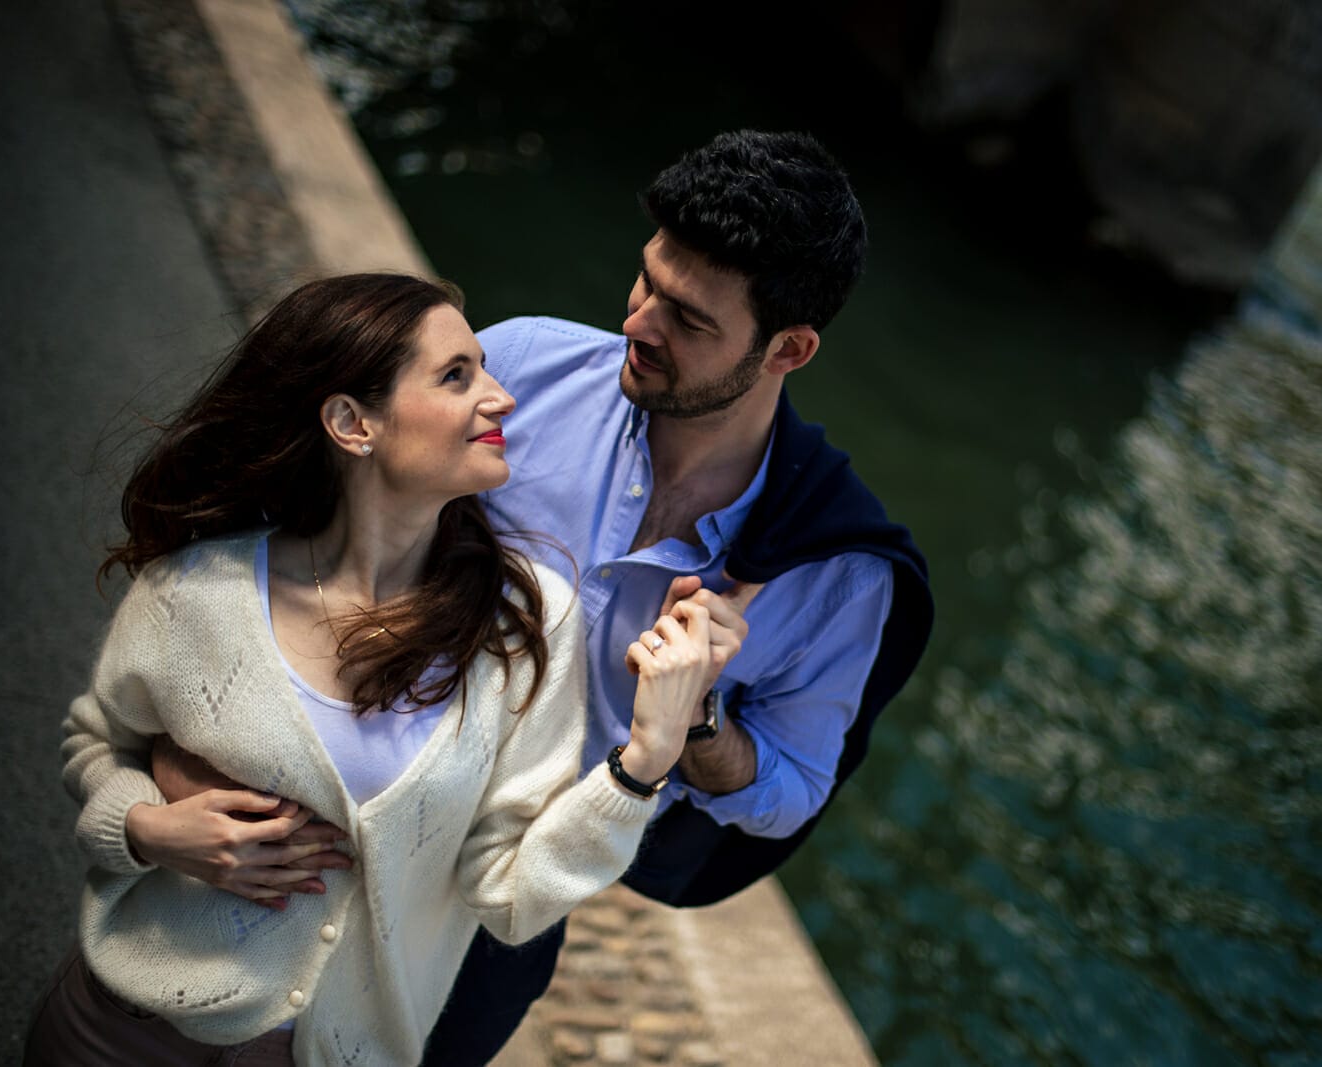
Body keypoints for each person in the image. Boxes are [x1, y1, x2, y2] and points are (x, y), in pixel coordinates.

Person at [152, 130, 935, 1065]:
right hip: (323, 799)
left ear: (790, 348)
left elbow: (791, 789)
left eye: (689, 320)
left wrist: (695, 720)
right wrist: (185, 762)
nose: (639, 322)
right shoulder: (518, 368)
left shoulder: (839, 576)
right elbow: (304, 511)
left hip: (500, 904)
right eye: (647, 280)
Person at [25, 273, 721, 1067]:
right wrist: (147, 830)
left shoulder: (528, 626)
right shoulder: (200, 587)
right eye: (456, 375)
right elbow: (97, 742)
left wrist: (645, 759)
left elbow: (510, 897)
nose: (501, 398)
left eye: (485, 370)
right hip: (116, 1031)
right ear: (352, 423)